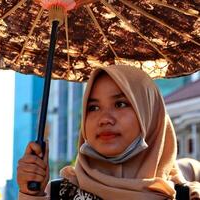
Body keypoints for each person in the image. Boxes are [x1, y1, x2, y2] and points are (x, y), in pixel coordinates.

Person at [17, 65, 200, 199]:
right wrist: (30, 194)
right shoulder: (57, 194)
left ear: (150, 116)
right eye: (93, 107)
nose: (105, 119)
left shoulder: (186, 196)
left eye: (120, 104)